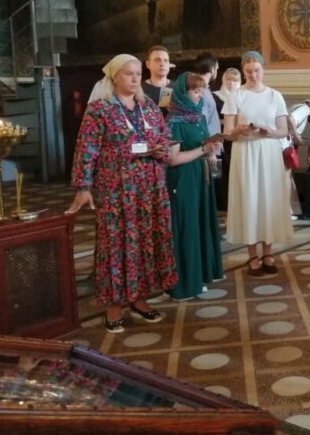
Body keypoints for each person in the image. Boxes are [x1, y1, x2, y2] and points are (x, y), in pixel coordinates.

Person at [67, 54, 177, 334]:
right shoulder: (100, 110)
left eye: (138, 73)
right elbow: (87, 149)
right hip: (118, 190)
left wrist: (161, 149)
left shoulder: (148, 106)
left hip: (150, 188)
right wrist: (83, 186)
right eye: (129, 74)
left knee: (144, 242)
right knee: (116, 245)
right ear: (114, 76)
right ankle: (113, 307)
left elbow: (164, 136)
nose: (135, 78)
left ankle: (139, 298)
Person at [222, 51, 293, 277]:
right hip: (245, 151)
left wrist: (268, 131)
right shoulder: (236, 96)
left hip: (269, 150)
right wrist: (239, 129)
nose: (253, 75)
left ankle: (268, 253)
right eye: (249, 71)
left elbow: (283, 130)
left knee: (267, 199)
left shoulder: (274, 95)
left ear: (263, 69)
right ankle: (252, 254)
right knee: (250, 199)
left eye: (257, 70)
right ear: (243, 71)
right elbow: (227, 133)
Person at [165, 72, 225, 300]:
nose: (200, 96)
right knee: (187, 227)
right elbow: (172, 159)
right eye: (196, 91)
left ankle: (199, 275)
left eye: (202, 91)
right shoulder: (174, 120)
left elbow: (201, 143)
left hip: (201, 176)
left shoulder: (197, 116)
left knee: (200, 224)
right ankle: (184, 284)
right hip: (184, 178)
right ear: (183, 92)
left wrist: (210, 149)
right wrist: (203, 150)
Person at [213, 67, 241, 212]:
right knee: (222, 171)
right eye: (229, 80)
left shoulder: (242, 96)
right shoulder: (215, 96)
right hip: (221, 137)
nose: (231, 83)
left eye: (235, 80)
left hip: (238, 137)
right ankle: (222, 204)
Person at [142, 45, 173, 109]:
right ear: (148, 64)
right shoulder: (139, 90)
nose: (162, 64)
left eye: (166, 60)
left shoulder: (178, 88)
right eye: (158, 60)